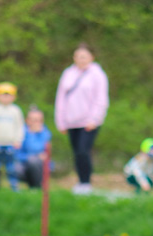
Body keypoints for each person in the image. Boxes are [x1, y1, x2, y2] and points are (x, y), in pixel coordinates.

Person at [54, 43, 109, 195]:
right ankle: (80, 181)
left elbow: (101, 99)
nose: (81, 59)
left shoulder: (97, 75)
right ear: (74, 58)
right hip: (71, 121)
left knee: (84, 150)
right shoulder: (68, 73)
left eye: (84, 57)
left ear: (91, 57)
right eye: (79, 57)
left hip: (88, 121)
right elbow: (61, 98)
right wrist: (61, 120)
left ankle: (86, 182)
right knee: (76, 151)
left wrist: (94, 118)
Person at [0, 82, 24, 192]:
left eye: (8, 95)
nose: (6, 98)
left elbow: (20, 127)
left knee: (11, 168)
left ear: (14, 97)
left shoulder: (16, 110)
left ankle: (14, 186)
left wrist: (18, 140)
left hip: (11, 144)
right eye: (3, 95)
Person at [15, 107, 53, 189]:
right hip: (23, 164)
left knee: (35, 162)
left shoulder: (45, 133)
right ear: (27, 120)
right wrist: (32, 134)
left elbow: (45, 151)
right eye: (34, 120)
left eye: (39, 120)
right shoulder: (20, 133)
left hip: (40, 165)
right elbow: (17, 153)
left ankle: (36, 187)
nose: (37, 123)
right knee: (31, 161)